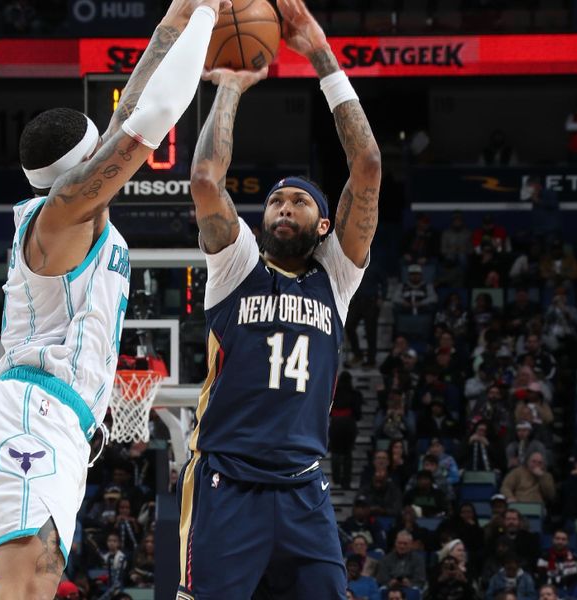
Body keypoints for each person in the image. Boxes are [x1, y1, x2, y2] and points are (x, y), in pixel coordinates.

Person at [0, 1, 229, 598]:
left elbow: (139, 94)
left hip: (46, 424)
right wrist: (206, 18)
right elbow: (156, 111)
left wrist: (176, 16)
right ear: (87, 162)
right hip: (29, 415)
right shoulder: (66, 213)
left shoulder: (71, 211)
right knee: (31, 584)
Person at [179, 0, 381, 597]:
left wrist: (319, 51)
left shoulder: (336, 277)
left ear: (325, 226)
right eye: (275, 201)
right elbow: (205, 183)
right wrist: (233, 86)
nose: (284, 207)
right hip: (226, 484)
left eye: (299, 201)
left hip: (304, 490)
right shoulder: (237, 265)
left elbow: (367, 164)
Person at [329, 371, 362, 489]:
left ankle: (336, 479)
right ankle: (346, 481)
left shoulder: (332, 394)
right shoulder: (355, 394)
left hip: (335, 423)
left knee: (335, 452)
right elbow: (358, 414)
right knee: (347, 453)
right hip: (349, 424)